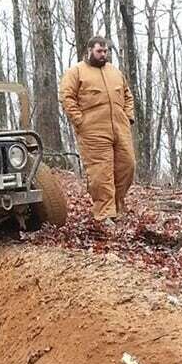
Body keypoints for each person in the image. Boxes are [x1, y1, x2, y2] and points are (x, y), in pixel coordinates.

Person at [59, 36, 135, 228]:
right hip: (92, 129)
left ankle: (117, 207)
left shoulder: (115, 72)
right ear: (90, 50)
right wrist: (79, 121)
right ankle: (104, 213)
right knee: (101, 172)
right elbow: (67, 97)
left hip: (120, 126)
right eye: (99, 51)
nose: (103, 55)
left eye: (105, 51)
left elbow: (127, 95)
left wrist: (128, 116)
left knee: (128, 165)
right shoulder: (76, 72)